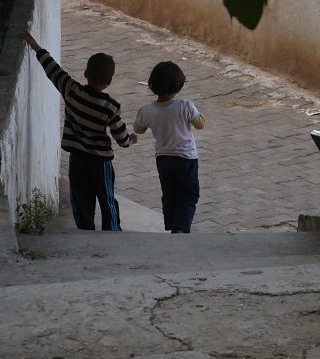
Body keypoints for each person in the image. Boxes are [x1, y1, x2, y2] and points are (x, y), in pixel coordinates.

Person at [21, 31, 137, 231]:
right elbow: (120, 137)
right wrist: (131, 140)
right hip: (100, 163)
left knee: (81, 198)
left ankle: (85, 230)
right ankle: (112, 231)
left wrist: (35, 45)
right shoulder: (110, 106)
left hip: (77, 159)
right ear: (109, 81)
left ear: (85, 74)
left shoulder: (71, 90)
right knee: (107, 197)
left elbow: (53, 70)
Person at [133, 61, 205, 233]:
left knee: (169, 193)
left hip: (163, 159)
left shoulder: (147, 110)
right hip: (186, 158)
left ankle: (172, 225)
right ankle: (181, 227)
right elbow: (200, 124)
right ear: (177, 87)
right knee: (189, 194)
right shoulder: (185, 106)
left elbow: (138, 129)